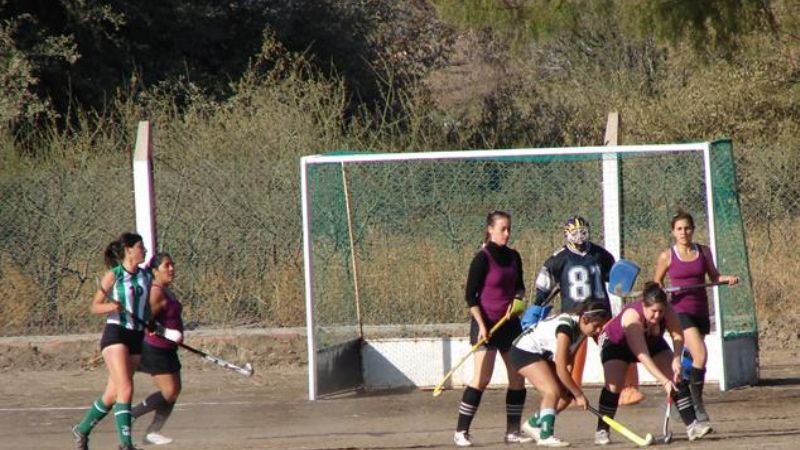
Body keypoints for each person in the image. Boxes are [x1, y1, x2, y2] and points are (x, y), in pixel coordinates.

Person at [528, 216, 644, 406]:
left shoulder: (600, 254)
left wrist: (622, 282)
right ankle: (568, 390)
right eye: (575, 233)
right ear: (567, 235)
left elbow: (614, 279)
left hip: (601, 312)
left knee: (618, 345)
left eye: (583, 232)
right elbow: (544, 284)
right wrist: (537, 305)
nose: (580, 237)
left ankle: (627, 388)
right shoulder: (559, 258)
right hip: (575, 316)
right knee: (570, 355)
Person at [594, 282, 712, 446]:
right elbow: (642, 356)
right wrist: (664, 382)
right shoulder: (632, 318)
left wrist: (677, 358)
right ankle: (602, 430)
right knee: (614, 386)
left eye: (660, 311)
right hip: (616, 344)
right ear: (644, 305)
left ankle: (692, 426)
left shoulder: (668, 311)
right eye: (653, 311)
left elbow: (677, 335)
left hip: (651, 342)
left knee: (675, 377)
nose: (657, 316)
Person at [452, 210, 531, 447]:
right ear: (490, 229)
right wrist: (482, 325)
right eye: (502, 229)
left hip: (509, 324)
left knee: (518, 378)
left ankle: (512, 432)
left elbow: (520, 288)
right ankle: (461, 432)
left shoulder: (514, 256)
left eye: (509, 229)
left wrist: (517, 304)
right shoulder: (482, 258)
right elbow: (470, 297)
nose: (507, 233)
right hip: (485, 323)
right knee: (482, 379)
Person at [653, 210, 739, 422]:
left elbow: (714, 276)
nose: (684, 232)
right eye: (679, 229)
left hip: (701, 311)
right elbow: (656, 285)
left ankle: (679, 401)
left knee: (690, 361)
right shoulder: (667, 256)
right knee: (701, 355)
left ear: (693, 230)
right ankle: (697, 405)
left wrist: (726, 279)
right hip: (680, 312)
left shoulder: (704, 251)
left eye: (687, 228)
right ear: (673, 232)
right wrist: (660, 292)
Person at [72, 232, 151, 450]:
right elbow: (94, 306)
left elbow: (147, 307)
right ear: (128, 250)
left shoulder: (146, 276)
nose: (144, 250)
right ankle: (126, 444)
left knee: (112, 394)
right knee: (126, 388)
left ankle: (82, 430)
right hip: (116, 333)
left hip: (136, 335)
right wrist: (111, 306)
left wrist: (151, 324)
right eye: (140, 247)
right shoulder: (114, 275)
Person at [510, 300, 611, 447]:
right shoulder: (565, 330)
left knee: (565, 397)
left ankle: (533, 424)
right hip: (524, 351)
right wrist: (578, 394)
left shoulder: (581, 331)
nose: (598, 330)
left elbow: (568, 360)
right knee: (552, 391)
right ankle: (546, 436)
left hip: (541, 355)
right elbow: (561, 369)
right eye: (596, 326)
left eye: (602, 326)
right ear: (584, 319)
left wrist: (570, 390)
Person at [132, 252, 185, 445]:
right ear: (155, 271)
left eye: (172, 264)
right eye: (166, 266)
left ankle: (152, 432)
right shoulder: (155, 291)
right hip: (155, 348)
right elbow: (145, 320)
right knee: (169, 391)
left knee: (175, 391)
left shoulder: (167, 290)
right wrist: (167, 332)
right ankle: (129, 416)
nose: (171, 269)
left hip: (169, 348)